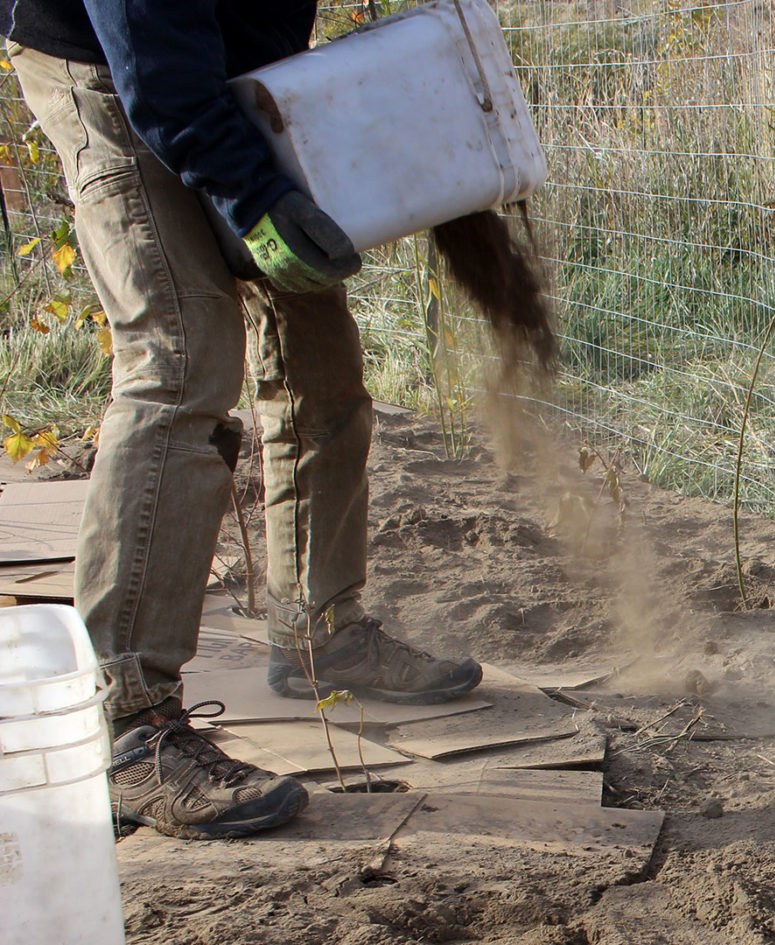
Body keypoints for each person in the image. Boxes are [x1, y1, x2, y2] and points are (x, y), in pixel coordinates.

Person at [3, 1, 483, 839]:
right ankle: (127, 728)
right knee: (182, 357)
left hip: (214, 64)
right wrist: (250, 192)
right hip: (108, 65)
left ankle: (319, 634)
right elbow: (152, 63)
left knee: (318, 354)